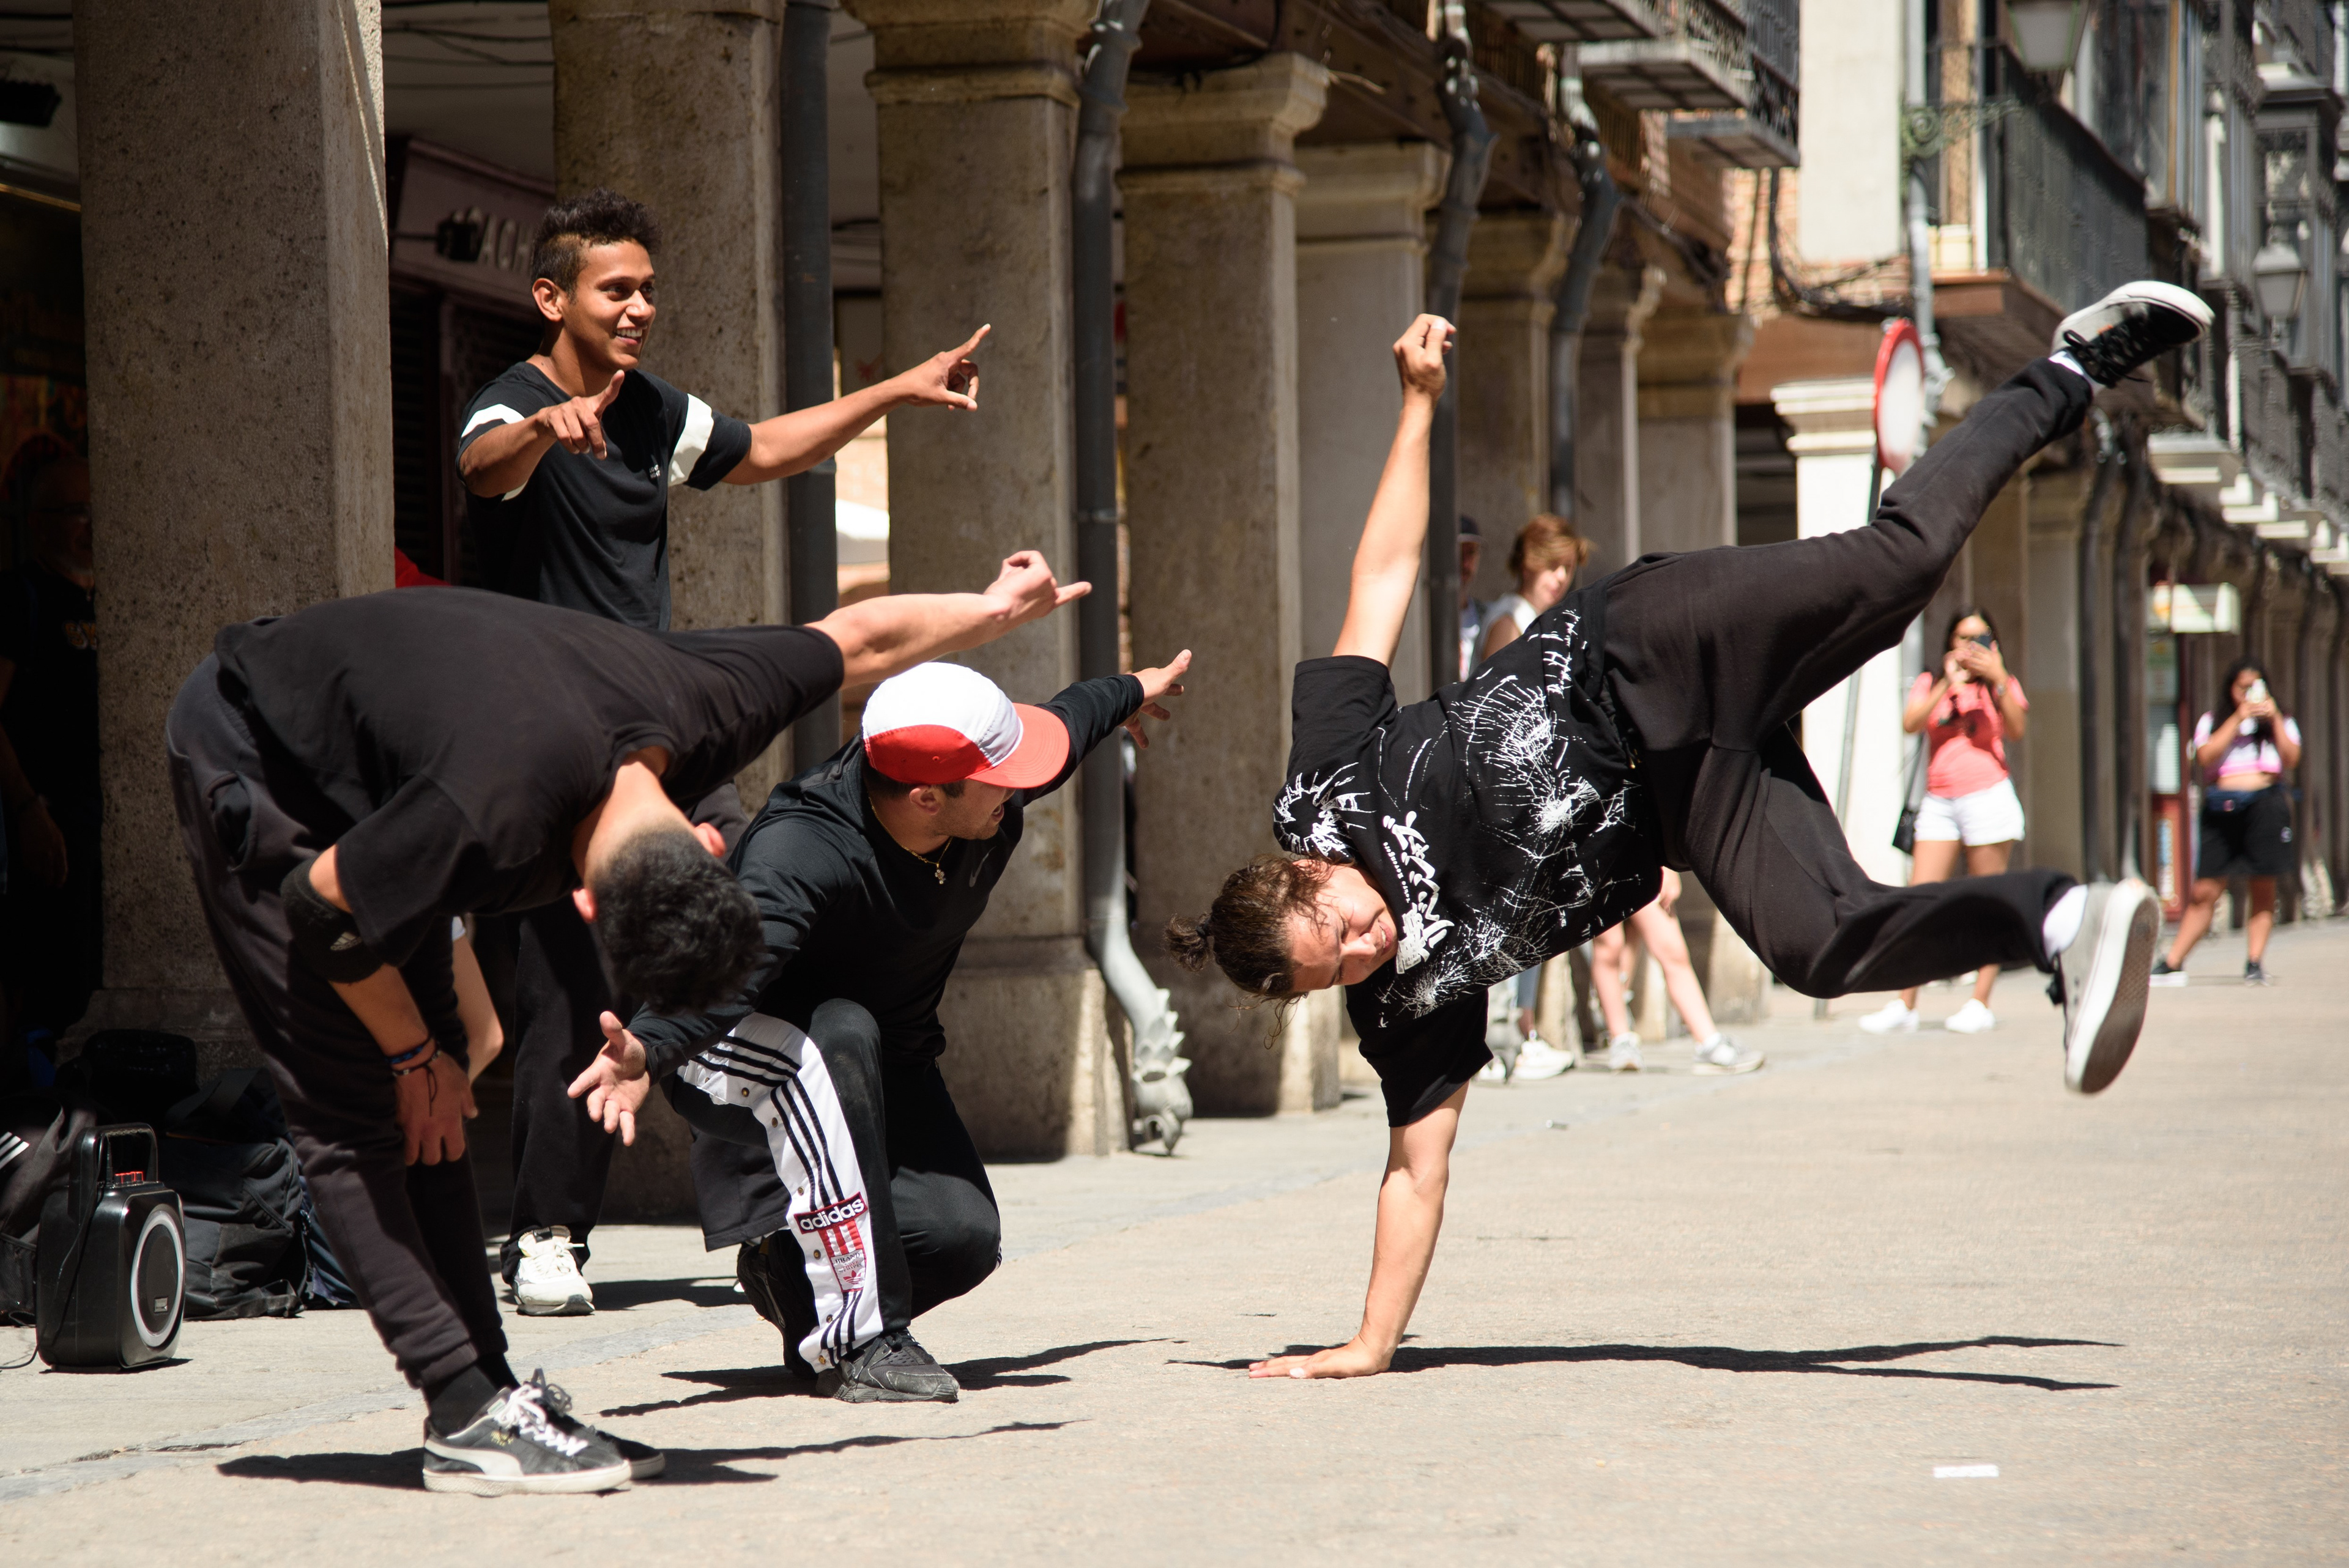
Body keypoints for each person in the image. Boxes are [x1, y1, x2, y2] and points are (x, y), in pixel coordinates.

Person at [1169, 283, 2208, 1381]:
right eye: (1343, 967)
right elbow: (1414, 1172)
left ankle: (2070, 371)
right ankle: (2057, 918)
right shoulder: (1411, 1000)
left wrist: (1419, 406)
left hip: (1644, 649)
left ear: (1301, 871)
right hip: (1693, 796)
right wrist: (1369, 1341)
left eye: (1341, 922)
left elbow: (1379, 579)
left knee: (1899, 568)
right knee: (1822, 943)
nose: (1370, 941)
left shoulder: (1326, 779)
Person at [164, 555, 1083, 1493]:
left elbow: (861, 640)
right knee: (361, 1112)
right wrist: (406, 1049)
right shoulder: (490, 814)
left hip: (401, 762)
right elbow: (324, 913)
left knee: (437, 1099)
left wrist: (991, 609)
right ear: (705, 848)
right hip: (258, 753)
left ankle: (493, 1390)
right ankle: (462, 1408)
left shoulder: (700, 702)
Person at [457, 187, 995, 1316]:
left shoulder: (646, 408)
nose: (642, 305)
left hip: (666, 715)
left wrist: (895, 389)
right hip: (555, 737)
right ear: (552, 297)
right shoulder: (511, 404)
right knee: (569, 980)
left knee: (750, 933)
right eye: (618, 288)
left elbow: (758, 452)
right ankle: (547, 1233)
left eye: (650, 287)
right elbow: (481, 468)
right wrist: (542, 434)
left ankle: (768, 1219)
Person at [567, 653, 1188, 1403]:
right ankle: (863, 1341)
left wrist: (1127, 693)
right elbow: (726, 968)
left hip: (881, 1055)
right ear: (928, 796)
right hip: (740, 1051)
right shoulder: (805, 847)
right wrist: (648, 1049)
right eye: (1003, 773)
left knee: (961, 1240)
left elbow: (1065, 723)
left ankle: (788, 1274)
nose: (1019, 785)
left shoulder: (982, 793)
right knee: (842, 1026)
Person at [1859, 607, 2031, 1035]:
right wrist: (1946, 686)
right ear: (1949, 643)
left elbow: (2016, 729)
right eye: (1962, 638)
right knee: (1919, 902)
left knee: (1986, 899)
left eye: (1981, 638)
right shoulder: (1932, 681)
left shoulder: (2001, 685)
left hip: (1987, 797)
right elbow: (1911, 724)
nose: (1971, 647)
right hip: (1940, 802)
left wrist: (1997, 675)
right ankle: (1905, 1003)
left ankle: (1980, 1002)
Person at [1472, 514, 1595, 1082]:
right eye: (1553, 566)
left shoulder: (1539, 618)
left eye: (1568, 569)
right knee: (1507, 910)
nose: (1561, 579)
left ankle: (1518, 1033)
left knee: (1531, 910)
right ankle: (1499, 1039)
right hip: (1505, 786)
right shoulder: (1509, 620)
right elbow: (1495, 708)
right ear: (1529, 563)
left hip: (1535, 785)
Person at [0, 440, 98, 1085]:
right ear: (40, 524)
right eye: (75, 510)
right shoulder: (22, 597)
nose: (92, 524)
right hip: (48, 832)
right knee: (46, 986)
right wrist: (28, 809)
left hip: (101, 832)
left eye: (99, 507)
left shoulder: (116, 599)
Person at [2152, 657, 2301, 986]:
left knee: (2263, 884)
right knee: (2205, 888)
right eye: (2242, 688)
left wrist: (2273, 716)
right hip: (2222, 808)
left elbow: (2291, 758)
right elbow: (2204, 757)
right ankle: (2174, 961)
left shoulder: (2281, 720)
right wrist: (2238, 718)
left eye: (2255, 687)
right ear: (2230, 690)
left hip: (2265, 804)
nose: (2249, 694)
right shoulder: (2213, 720)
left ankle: (2254, 961)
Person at [1587, 868, 1762, 1074]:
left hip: (1640, 858)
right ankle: (1621, 1039)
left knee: (1671, 949)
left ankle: (1709, 1041)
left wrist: (1666, 867)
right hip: (1599, 862)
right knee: (1610, 946)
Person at [1457, 514, 1488, 681]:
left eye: (1471, 553)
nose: (1465, 563)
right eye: (1459, 553)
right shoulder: (1424, 623)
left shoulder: (1489, 616)